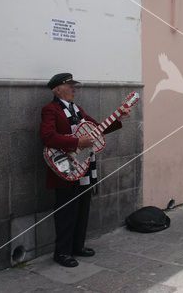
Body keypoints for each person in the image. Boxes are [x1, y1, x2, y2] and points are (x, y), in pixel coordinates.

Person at [41, 73, 130, 268]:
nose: (74, 89)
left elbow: (97, 128)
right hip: (66, 167)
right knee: (66, 210)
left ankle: (77, 246)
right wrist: (76, 142)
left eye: (74, 86)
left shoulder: (77, 110)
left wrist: (118, 118)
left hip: (85, 166)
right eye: (70, 86)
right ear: (57, 89)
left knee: (83, 207)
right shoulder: (51, 110)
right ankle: (62, 252)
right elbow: (47, 136)